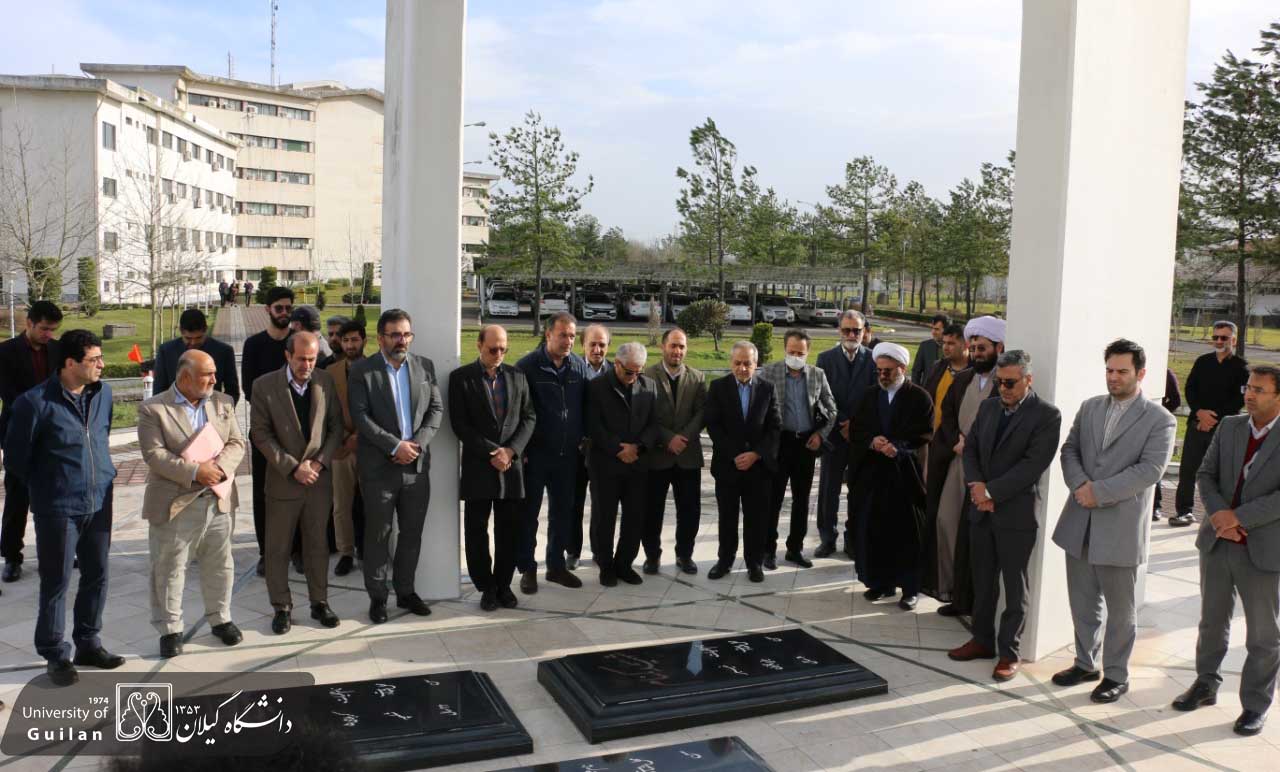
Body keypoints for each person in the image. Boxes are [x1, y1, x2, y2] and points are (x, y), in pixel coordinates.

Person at [1051, 339, 1176, 702]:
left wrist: (1099, 492)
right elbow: (1070, 450)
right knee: (1082, 601)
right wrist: (1081, 486)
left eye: (1122, 371)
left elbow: (1150, 470)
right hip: (1079, 521)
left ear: (1141, 373)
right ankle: (1085, 663)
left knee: (1121, 611)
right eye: (1109, 370)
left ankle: (1117, 675)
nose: (1113, 377)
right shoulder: (1090, 407)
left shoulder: (1160, 419)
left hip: (1120, 527)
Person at [4, 330, 122, 686]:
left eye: (101, 357)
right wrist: (50, 486)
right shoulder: (33, 403)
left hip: (99, 501)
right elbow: (16, 460)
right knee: (56, 581)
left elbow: (100, 435)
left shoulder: (103, 394)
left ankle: (88, 642)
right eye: (94, 359)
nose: (102, 365)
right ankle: (55, 653)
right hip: (58, 507)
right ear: (70, 363)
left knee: (97, 574)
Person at [1172, 364, 1280, 736]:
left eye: (1259, 390)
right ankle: (1205, 683)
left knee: (1263, 634)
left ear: (1278, 396)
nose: (1249, 394)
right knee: (1211, 621)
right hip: (1217, 541)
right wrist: (1220, 516)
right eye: (1248, 387)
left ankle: (1254, 705)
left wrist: (1238, 518)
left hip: (1263, 549)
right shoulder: (1231, 426)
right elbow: (1205, 474)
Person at [950, 350, 1061, 682]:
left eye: (1010, 383)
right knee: (983, 582)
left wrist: (991, 493)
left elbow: (1032, 465)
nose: (1003, 389)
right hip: (981, 511)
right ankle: (982, 640)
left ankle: (1009, 653)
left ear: (1028, 380)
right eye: (999, 382)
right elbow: (970, 449)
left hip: (1016, 515)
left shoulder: (1047, 416)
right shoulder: (988, 407)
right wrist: (977, 486)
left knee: (1014, 587)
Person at [138, 350, 247, 657]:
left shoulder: (223, 403)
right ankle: (170, 629)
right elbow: (154, 455)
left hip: (218, 499)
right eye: (207, 374)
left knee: (220, 564)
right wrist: (196, 472)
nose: (214, 379)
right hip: (176, 502)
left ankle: (220, 619)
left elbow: (237, 442)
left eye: (214, 373)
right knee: (170, 568)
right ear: (185, 378)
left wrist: (219, 469)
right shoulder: (154, 409)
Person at [349, 309, 443, 623]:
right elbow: (361, 417)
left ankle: (405, 591)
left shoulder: (424, 366)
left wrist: (416, 445)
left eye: (406, 334)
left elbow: (436, 409)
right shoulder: (363, 370)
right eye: (395, 335)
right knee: (379, 534)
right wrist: (395, 445)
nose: (402, 340)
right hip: (379, 469)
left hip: (416, 467)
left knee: (411, 533)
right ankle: (378, 597)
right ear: (380, 338)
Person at [249, 332, 344, 634]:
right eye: (301, 359)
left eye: (312, 359)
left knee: (318, 545)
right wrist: (293, 468)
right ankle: (282, 607)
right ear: (287, 356)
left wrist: (318, 463)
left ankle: (320, 602)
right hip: (283, 482)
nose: (307, 365)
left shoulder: (325, 381)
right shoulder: (264, 386)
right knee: (278, 548)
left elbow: (336, 428)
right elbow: (260, 434)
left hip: (318, 480)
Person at [450, 325, 535, 611]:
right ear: (479, 345)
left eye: (503, 349)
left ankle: (503, 585)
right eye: (493, 349)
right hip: (479, 466)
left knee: (508, 531)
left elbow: (529, 417)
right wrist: (492, 451)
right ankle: (486, 587)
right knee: (476, 531)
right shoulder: (461, 379)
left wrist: (511, 451)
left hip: (510, 467)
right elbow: (460, 424)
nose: (498, 354)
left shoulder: (517, 376)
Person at [923, 317, 1003, 613]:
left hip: (985, 471)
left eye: (983, 348)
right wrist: (955, 440)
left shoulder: (1004, 382)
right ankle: (951, 591)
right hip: (956, 462)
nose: (977, 352)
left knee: (974, 535)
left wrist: (973, 446)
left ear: (998, 348)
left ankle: (971, 600)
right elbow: (946, 417)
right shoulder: (964, 379)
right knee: (946, 522)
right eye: (974, 347)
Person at [847, 342, 933, 609]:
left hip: (904, 476)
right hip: (873, 476)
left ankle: (910, 589)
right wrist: (872, 442)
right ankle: (880, 583)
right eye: (879, 371)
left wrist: (898, 447)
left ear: (902, 369)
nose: (883, 375)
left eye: (888, 371)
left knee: (907, 534)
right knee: (874, 530)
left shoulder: (919, 397)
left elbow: (924, 432)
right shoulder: (869, 396)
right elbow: (857, 429)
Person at [516, 312, 590, 593]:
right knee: (528, 515)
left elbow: (586, 405)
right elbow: (518, 412)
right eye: (563, 335)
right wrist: (521, 449)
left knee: (562, 513)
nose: (569, 341)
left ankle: (556, 567)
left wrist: (584, 439)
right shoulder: (527, 367)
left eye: (572, 336)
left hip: (568, 456)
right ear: (548, 335)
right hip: (535, 456)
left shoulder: (579, 367)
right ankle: (527, 569)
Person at [705, 341, 782, 584]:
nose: (742, 368)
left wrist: (756, 454)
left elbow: (775, 427)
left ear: (756, 364)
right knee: (727, 517)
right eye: (737, 363)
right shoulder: (718, 387)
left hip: (758, 468)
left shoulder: (767, 388)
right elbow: (713, 425)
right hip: (728, 466)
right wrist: (735, 455)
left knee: (756, 519)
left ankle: (754, 563)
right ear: (731, 363)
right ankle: (725, 560)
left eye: (747, 363)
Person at [759, 329, 836, 569]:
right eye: (791, 352)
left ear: (808, 352)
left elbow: (831, 409)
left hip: (806, 443)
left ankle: (795, 549)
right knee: (773, 499)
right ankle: (768, 550)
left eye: (800, 353)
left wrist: (820, 435)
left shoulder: (817, 375)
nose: (796, 357)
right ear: (784, 349)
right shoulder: (769, 372)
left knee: (801, 500)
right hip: (779, 443)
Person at [585, 342, 660, 586]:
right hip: (605, 464)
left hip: (637, 463)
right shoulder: (596, 387)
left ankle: (624, 564)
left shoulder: (649, 386)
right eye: (629, 372)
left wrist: (638, 447)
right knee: (604, 517)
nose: (634, 376)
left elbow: (654, 424)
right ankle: (605, 565)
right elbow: (593, 425)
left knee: (635, 517)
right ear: (617, 364)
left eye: (639, 371)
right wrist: (619, 449)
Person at [0, 300, 63, 583]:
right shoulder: (5, 352)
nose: (48, 334)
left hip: (53, 434)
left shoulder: (58, 349)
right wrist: (38, 412)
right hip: (19, 433)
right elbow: (8, 394)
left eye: (53, 330)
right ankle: (12, 557)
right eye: (44, 329)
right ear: (29, 323)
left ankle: (57, 552)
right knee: (17, 498)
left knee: (56, 496)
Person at [1171, 320, 1249, 527]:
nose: (1219, 341)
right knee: (1188, 470)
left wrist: (1212, 418)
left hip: (1223, 428)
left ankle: (1216, 516)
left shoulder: (1242, 368)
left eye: (1224, 338)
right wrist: (1199, 412)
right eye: (1215, 337)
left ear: (1233, 340)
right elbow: (1190, 389)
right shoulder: (1202, 362)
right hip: (1196, 424)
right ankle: (1184, 512)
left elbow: (1239, 399)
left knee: (1221, 475)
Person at [642, 328, 706, 575]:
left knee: (690, 510)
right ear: (663, 347)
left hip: (688, 456)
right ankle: (652, 556)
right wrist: (668, 438)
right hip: (657, 456)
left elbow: (702, 413)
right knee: (652, 510)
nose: (677, 351)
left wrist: (684, 438)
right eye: (673, 345)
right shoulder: (647, 376)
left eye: (682, 346)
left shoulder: (698, 377)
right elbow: (645, 415)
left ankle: (684, 555)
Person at [815, 310, 877, 560]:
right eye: (847, 330)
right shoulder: (825, 359)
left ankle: (854, 540)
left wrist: (856, 426)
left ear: (864, 332)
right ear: (839, 330)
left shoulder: (873, 359)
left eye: (856, 330)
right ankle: (827, 539)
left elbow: (875, 396)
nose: (852, 335)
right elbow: (821, 396)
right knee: (828, 490)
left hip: (862, 437)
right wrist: (842, 422)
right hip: (834, 435)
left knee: (859, 490)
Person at [242, 286, 296, 575]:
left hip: (298, 431)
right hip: (264, 430)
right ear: (267, 310)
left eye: (288, 308)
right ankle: (267, 552)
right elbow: (249, 388)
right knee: (263, 492)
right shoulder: (253, 345)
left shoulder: (299, 343)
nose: (284, 313)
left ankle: (297, 549)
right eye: (279, 308)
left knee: (299, 489)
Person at [326, 319, 367, 576]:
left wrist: (359, 436)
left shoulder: (377, 368)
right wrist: (344, 438)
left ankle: (370, 551)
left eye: (355, 339)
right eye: (346, 340)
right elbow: (325, 410)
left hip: (370, 446)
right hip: (340, 448)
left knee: (372, 504)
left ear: (364, 340)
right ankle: (346, 553)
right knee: (341, 504)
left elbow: (383, 409)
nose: (350, 345)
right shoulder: (330, 372)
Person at [571, 323, 611, 569]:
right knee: (573, 503)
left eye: (602, 345)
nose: (597, 349)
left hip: (604, 452)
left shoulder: (616, 371)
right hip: (576, 450)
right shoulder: (572, 369)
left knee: (601, 505)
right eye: (592, 344)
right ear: (583, 345)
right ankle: (572, 551)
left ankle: (598, 550)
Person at [151, 308, 240, 403]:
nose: (193, 342)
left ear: (205, 330)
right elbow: (159, 390)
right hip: (173, 409)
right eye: (188, 338)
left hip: (212, 409)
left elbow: (232, 391)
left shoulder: (224, 351)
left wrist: (221, 410)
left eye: (198, 338)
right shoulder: (166, 351)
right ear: (181, 331)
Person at [1153, 368, 1181, 521]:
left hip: (1154, 427)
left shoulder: (1165, 373)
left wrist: (1161, 414)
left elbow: (1176, 400)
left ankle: (1155, 507)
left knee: (1153, 465)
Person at [911, 314, 950, 384]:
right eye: (932, 328)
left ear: (946, 330)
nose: (933, 332)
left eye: (937, 329)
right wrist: (916, 390)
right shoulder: (925, 346)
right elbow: (916, 372)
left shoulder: (954, 347)